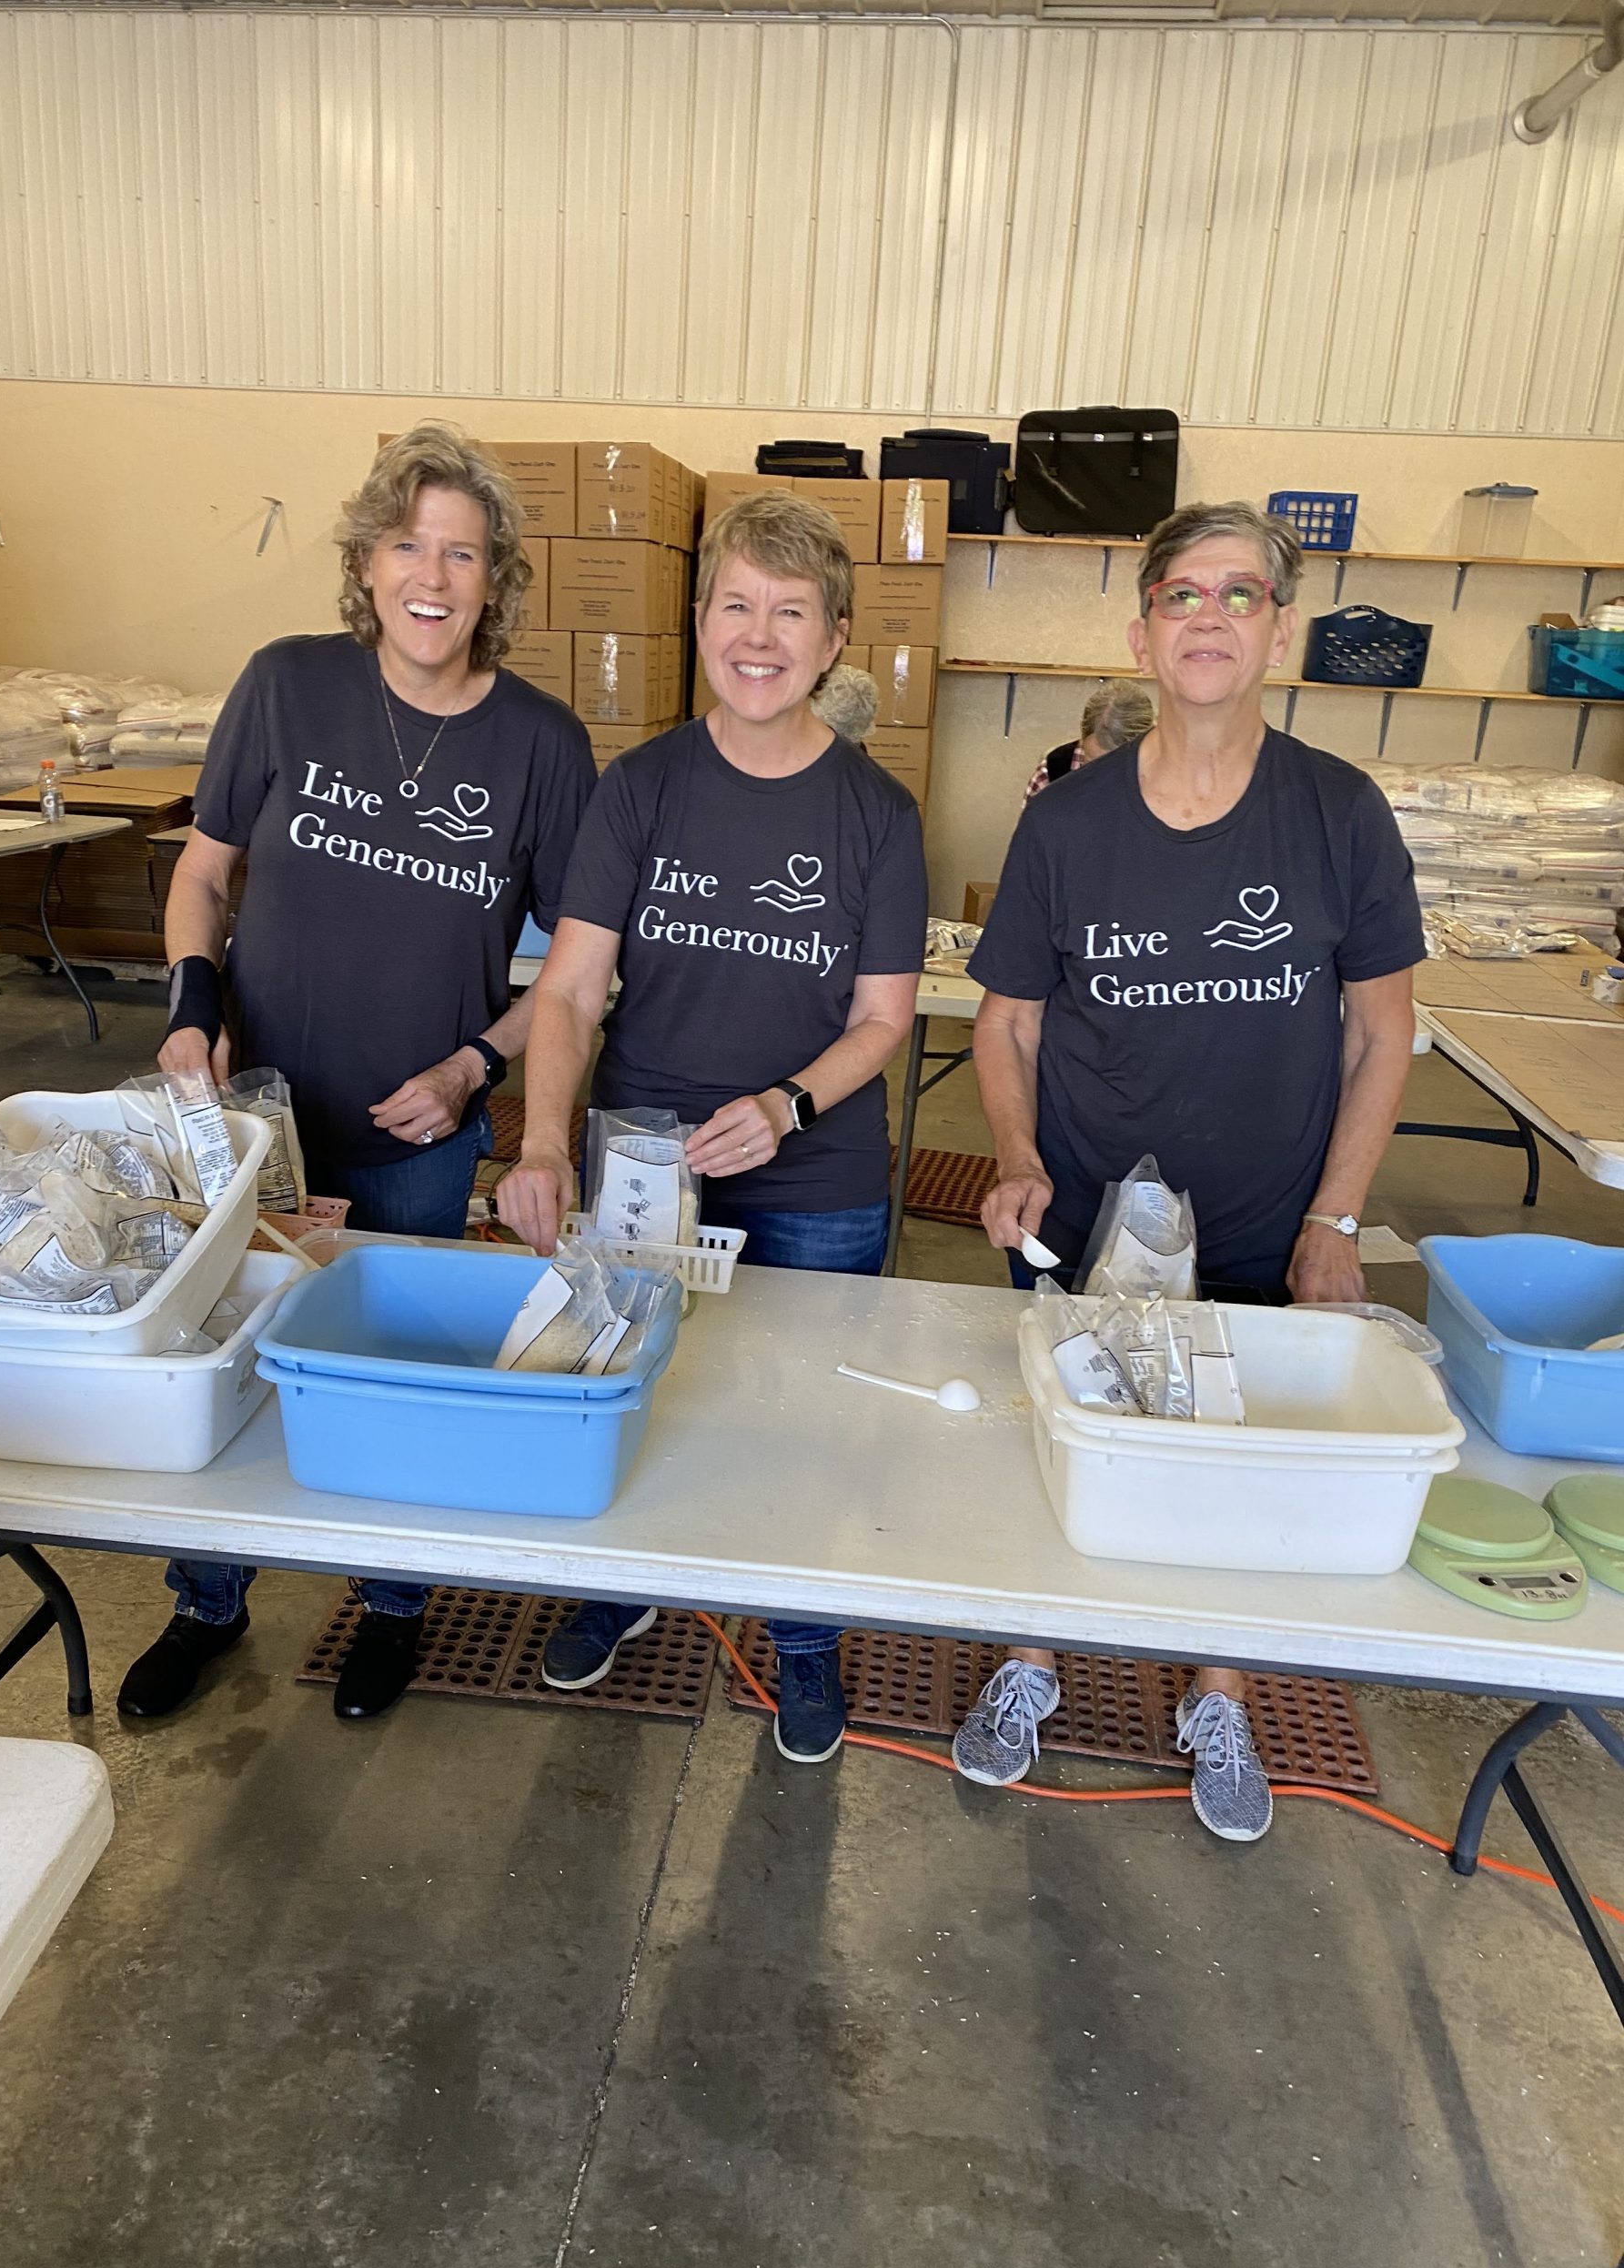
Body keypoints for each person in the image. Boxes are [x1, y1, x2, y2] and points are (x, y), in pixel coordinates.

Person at [953, 501, 1422, 1842]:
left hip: (1273, 1223)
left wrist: (1336, 1221)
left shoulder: (1338, 812)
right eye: (1181, 596)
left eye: (1239, 595)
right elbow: (1011, 1020)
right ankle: (1035, 1653)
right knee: (1066, 1442)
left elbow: (1383, 1032)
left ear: (1278, 627)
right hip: (1085, 1218)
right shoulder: (1070, 823)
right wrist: (1019, 1158)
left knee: (1239, 1466)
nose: (1208, 619)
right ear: (1141, 627)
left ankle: (1217, 1689)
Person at [119, 424, 595, 1726]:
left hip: (415, 1139)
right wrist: (191, 1011)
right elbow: (204, 874)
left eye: (464, 552)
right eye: (408, 544)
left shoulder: (543, 748)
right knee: (219, 1348)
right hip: (251, 1127)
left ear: (496, 582)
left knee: (394, 1373)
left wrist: (469, 1069)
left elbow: (571, 971)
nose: (433, 575)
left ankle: (389, 1602)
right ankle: (206, 1600)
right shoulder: (286, 685)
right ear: (368, 564)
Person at [496, 493, 928, 1764]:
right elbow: (569, 988)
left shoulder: (875, 816)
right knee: (632, 1388)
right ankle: (620, 1586)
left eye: (790, 613)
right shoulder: (640, 791)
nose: (759, 635)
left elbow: (885, 1018)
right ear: (699, 625)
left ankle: (802, 1641)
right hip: (640, 1165)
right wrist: (538, 1141)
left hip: (820, 1175)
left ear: (835, 640)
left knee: (800, 1418)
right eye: (737, 605)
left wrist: (787, 1103)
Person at [1024, 679, 1155, 798]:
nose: (1103, 776)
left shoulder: (1169, 779)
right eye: (1091, 763)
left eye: (1116, 766)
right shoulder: (1053, 772)